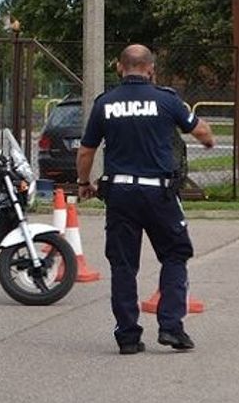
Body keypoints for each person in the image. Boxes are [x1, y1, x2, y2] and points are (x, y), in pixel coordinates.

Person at [76, 44, 214, 354]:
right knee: (176, 253)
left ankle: (127, 336)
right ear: (150, 69)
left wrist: (84, 183)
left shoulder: (105, 104)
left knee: (124, 265)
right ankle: (171, 327)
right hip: (159, 192)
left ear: (118, 68)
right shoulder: (167, 100)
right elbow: (201, 132)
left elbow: (86, 150)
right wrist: (208, 139)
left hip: (120, 194)